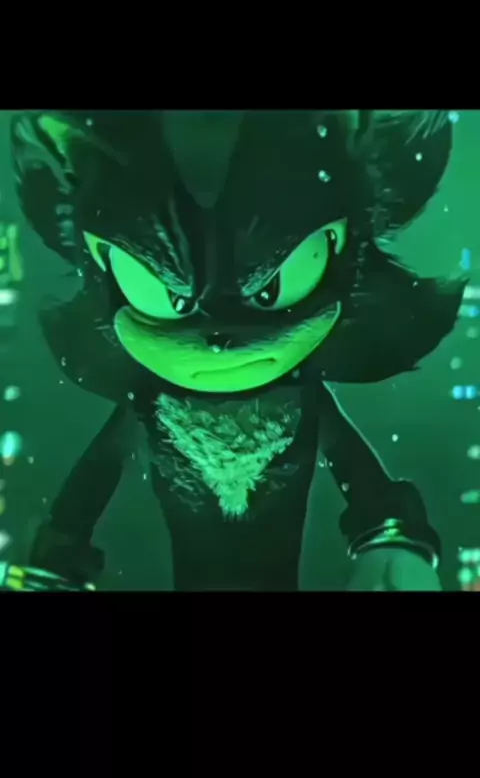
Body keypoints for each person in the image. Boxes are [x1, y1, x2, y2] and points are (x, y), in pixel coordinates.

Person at [1, 110, 463, 591]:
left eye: (270, 290)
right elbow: (89, 486)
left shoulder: (293, 401)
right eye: (168, 297)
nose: (219, 338)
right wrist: (55, 562)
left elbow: (363, 479)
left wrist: (391, 541)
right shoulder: (160, 406)